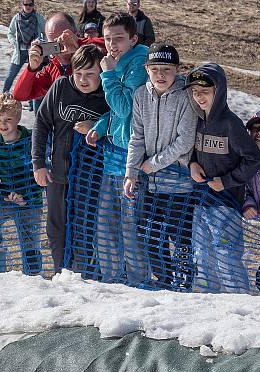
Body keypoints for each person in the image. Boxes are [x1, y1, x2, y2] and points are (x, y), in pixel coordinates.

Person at [125, 44, 198, 291]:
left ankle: (185, 283)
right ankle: (164, 281)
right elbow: (137, 136)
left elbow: (185, 140)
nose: (160, 75)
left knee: (179, 237)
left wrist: (152, 165)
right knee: (149, 234)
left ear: (176, 70)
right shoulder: (140, 96)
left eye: (166, 69)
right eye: (155, 69)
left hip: (179, 183)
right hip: (150, 184)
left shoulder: (186, 96)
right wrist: (131, 172)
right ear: (147, 70)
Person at [32, 44, 109, 273]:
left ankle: (83, 273)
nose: (83, 80)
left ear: (101, 74)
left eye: (90, 74)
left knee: (84, 228)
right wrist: (39, 164)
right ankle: (59, 272)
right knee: (55, 228)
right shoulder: (61, 87)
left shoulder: (107, 94)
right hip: (58, 173)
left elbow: (121, 126)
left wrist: (97, 128)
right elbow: (41, 124)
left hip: (91, 178)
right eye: (79, 74)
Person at [86, 12, 149, 286]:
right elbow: (116, 111)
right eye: (108, 39)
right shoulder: (115, 60)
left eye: (119, 39)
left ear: (133, 39)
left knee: (129, 226)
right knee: (104, 223)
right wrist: (100, 127)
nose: (112, 45)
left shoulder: (139, 63)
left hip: (131, 158)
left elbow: (126, 107)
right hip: (112, 155)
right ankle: (111, 280)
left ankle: (138, 281)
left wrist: (109, 74)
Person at [186, 64, 260, 293]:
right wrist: (192, 163)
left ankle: (238, 303)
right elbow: (195, 151)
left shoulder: (231, 123)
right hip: (203, 201)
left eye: (205, 91)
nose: (199, 96)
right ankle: (212, 304)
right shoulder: (199, 120)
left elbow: (253, 159)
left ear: (218, 92)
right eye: (195, 91)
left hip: (226, 202)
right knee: (203, 254)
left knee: (227, 255)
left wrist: (226, 181)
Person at [0, 93, 43, 275]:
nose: (3, 125)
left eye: (8, 119)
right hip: (5, 196)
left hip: (30, 198)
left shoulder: (30, 139)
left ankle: (33, 278)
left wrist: (25, 197)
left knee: (30, 243)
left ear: (18, 118)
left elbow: (39, 172)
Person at [12, 12, 105, 103]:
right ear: (47, 43)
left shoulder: (92, 52)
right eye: (54, 43)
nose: (61, 47)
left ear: (75, 34)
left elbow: (114, 46)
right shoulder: (52, 70)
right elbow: (19, 95)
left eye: (65, 38)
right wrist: (31, 68)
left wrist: (80, 44)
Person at [242, 113, 260, 293]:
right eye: (255, 129)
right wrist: (249, 205)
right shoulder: (250, 160)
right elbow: (248, 190)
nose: (259, 134)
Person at [4, 0, 44, 94]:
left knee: (33, 76)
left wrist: (41, 42)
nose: (28, 6)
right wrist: (14, 43)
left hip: (34, 51)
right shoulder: (17, 18)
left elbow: (45, 31)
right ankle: (3, 96)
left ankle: (31, 102)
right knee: (11, 75)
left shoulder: (38, 17)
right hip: (20, 52)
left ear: (33, 5)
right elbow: (10, 33)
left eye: (30, 4)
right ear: (22, 5)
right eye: (26, 4)